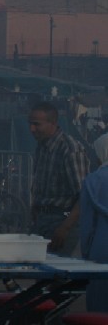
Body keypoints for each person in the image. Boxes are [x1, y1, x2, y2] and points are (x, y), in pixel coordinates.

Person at [28, 101, 89, 256]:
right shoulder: (41, 147)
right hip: (42, 220)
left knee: (55, 274)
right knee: (39, 273)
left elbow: (84, 196)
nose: (32, 129)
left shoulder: (70, 150)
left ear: (53, 123)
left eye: (37, 124)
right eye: (30, 124)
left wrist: (65, 228)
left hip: (61, 221)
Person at [80, 133, 108, 311]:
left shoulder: (92, 181)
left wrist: (85, 254)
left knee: (99, 307)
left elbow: (87, 227)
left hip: (100, 252)